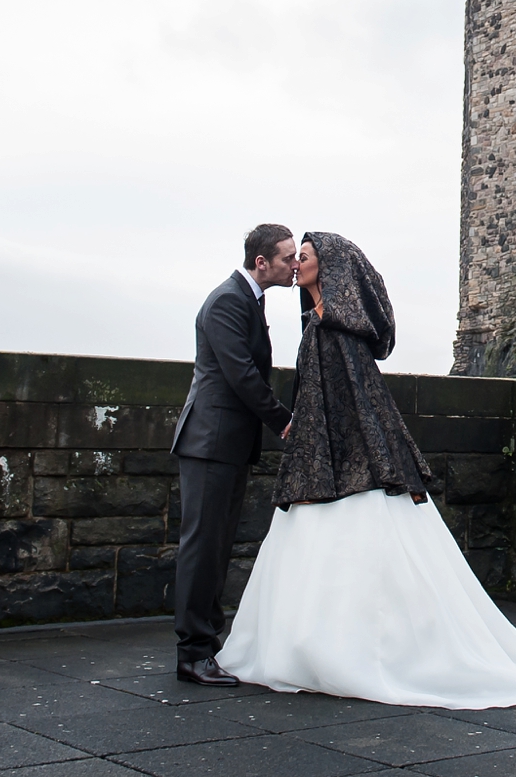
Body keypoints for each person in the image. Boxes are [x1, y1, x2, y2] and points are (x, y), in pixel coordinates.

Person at [216, 231, 516, 708]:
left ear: (328, 269)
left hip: (349, 474)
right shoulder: (318, 327)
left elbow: (356, 407)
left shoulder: (336, 334)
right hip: (324, 473)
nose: (295, 264)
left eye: (304, 257)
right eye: (293, 257)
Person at [170, 222, 297, 686]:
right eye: (287, 258)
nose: (294, 265)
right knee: (202, 548)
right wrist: (284, 420)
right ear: (261, 262)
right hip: (209, 443)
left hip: (225, 443)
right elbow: (242, 376)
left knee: (216, 548)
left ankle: (207, 643)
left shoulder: (250, 300)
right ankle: (192, 654)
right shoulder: (228, 300)